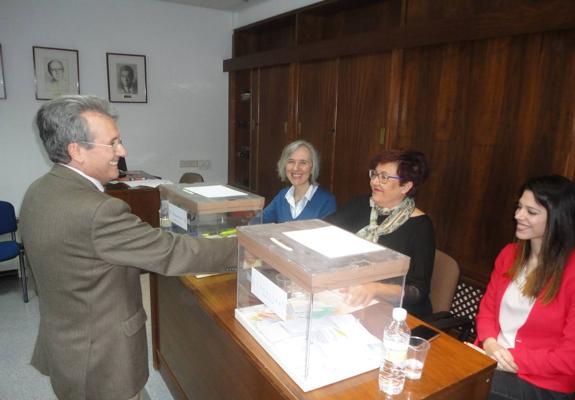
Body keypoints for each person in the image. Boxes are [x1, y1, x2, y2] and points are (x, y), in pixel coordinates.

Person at [19, 95, 237, 400]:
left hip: (66, 346)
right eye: (113, 143)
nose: (122, 151)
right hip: (101, 363)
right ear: (76, 150)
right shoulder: (97, 211)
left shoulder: (38, 191)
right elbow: (172, 252)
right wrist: (246, 248)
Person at [475, 175, 575, 399]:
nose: (518, 215)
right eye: (519, 207)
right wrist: (490, 343)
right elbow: (487, 311)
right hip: (491, 358)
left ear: (559, 218)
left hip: (542, 381)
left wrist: (509, 358)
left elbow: (570, 358)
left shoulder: (571, 273)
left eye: (531, 212)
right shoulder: (509, 254)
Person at [327, 150, 435, 318]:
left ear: (406, 186)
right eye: (375, 174)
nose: (374, 181)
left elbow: (417, 290)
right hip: (353, 298)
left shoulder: (421, 227)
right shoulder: (361, 204)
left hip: (396, 313)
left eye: (384, 177)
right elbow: (324, 231)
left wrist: (374, 288)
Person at [262, 140, 336, 223]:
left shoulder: (326, 201)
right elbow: (260, 221)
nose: (296, 168)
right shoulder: (282, 195)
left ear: (312, 167)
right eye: (291, 162)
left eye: (303, 162)